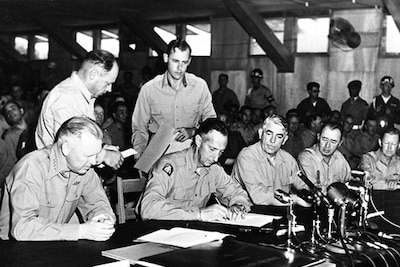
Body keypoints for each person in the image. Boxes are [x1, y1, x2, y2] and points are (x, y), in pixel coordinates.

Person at [0, 116, 116, 241]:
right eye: (88, 155)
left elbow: (98, 204)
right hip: (15, 250)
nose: (93, 161)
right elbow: (22, 229)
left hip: (56, 246)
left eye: (96, 154)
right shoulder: (31, 167)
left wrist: (102, 220)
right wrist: (81, 231)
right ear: (66, 148)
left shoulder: (84, 167)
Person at [140, 118, 251, 221]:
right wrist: (199, 214)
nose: (216, 158)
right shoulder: (170, 165)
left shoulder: (213, 169)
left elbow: (237, 193)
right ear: (198, 141)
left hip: (192, 234)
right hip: (161, 231)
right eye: (212, 149)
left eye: (220, 152)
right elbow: (148, 208)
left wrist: (238, 207)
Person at [35, 50, 123, 170]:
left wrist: (102, 147)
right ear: (93, 74)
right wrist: (103, 155)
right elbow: (70, 150)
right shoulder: (66, 98)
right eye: (108, 83)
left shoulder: (84, 96)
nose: (109, 89)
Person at [131, 39, 216, 159]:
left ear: (189, 61)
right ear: (166, 58)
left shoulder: (200, 87)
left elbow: (212, 122)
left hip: (191, 156)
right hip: (158, 157)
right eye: (175, 61)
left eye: (184, 62)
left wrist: (193, 131)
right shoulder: (149, 89)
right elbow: (139, 127)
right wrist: (139, 156)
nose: (180, 67)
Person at [232, 115, 306, 206]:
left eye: (279, 136)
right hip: (249, 212)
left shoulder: (289, 160)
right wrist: (294, 200)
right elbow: (258, 196)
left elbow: (303, 186)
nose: (272, 140)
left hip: (278, 213)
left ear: (284, 140)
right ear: (260, 133)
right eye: (269, 133)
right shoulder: (247, 156)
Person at [359, 127, 400, 233]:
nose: (390, 147)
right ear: (380, 142)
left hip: (393, 210)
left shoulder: (399, 162)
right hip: (372, 209)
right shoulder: (368, 159)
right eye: (386, 143)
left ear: (399, 145)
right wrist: (390, 185)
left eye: (393, 144)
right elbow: (368, 182)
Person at [297, 123, 351, 193]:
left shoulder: (339, 158)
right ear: (318, 137)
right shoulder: (306, 157)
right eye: (324, 139)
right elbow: (314, 192)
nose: (327, 145)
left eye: (333, 141)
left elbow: (349, 182)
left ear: (340, 143)